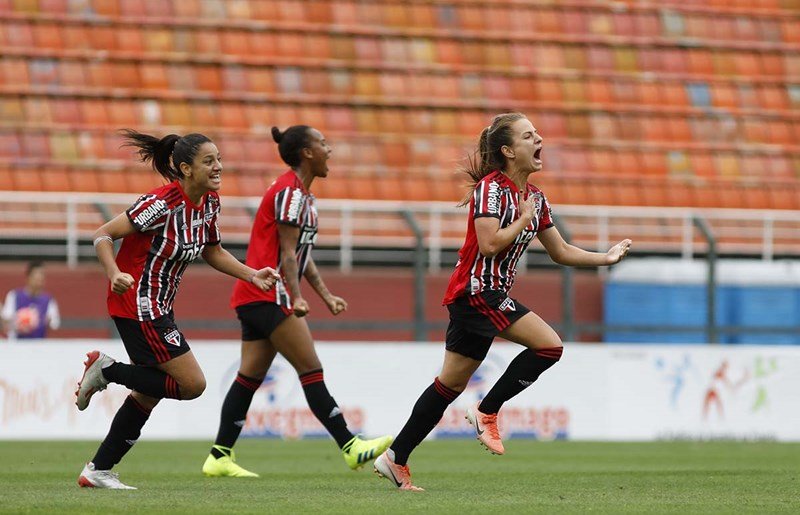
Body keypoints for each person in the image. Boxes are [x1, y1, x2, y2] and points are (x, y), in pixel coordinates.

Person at [373, 113, 633, 491]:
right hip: (478, 292)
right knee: (549, 346)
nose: (539, 138)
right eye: (529, 135)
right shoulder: (491, 191)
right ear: (509, 151)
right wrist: (522, 218)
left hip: (481, 296)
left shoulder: (536, 198)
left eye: (537, 133)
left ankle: (395, 458)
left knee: (449, 385)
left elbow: (560, 251)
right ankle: (487, 412)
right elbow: (490, 243)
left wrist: (604, 258)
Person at [73, 130, 280, 490]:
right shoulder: (161, 204)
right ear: (185, 168)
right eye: (209, 161)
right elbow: (103, 235)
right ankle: (107, 370)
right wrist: (114, 272)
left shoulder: (211, 202)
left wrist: (251, 274)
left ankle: (98, 469)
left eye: (219, 159)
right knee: (192, 384)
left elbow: (212, 251)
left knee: (151, 391)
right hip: (137, 303)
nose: (218, 167)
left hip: (158, 306)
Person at [202, 125, 392, 478]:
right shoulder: (290, 194)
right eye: (322, 143)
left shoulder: (300, 195)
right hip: (268, 292)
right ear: (307, 153)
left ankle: (219, 456)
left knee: (249, 376)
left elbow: (301, 255)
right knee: (311, 369)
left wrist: (325, 294)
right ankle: (351, 447)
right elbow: (287, 255)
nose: (328, 149)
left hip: (256, 295)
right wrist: (297, 297)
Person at [1, 261, 60, 339]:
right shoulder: (15, 296)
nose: (39, 279)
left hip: (39, 344)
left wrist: (44, 320)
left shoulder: (48, 300)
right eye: (36, 276)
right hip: (17, 344)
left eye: (41, 276)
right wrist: (20, 322)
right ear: (29, 277)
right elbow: (6, 320)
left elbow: (54, 323)